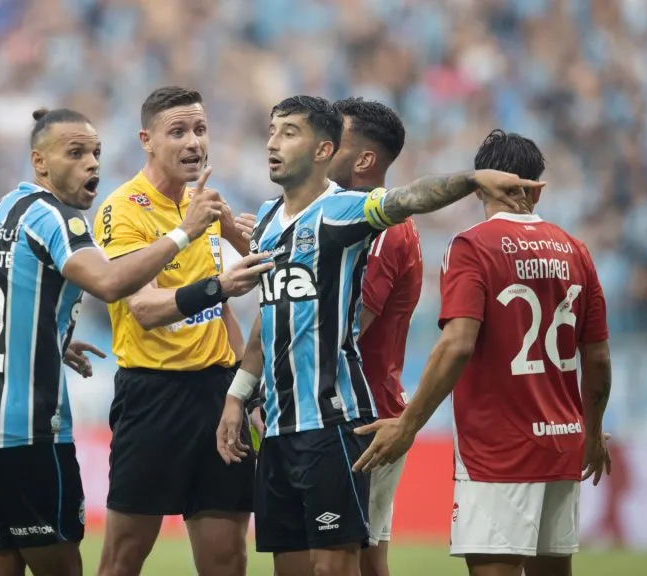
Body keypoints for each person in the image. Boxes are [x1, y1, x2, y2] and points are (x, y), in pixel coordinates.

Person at [216, 95, 543, 576]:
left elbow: (410, 197)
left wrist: (471, 180)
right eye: (271, 131)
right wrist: (238, 395)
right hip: (280, 429)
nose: (272, 143)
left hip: (337, 423)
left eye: (289, 133)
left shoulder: (351, 215)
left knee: (346, 564)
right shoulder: (266, 220)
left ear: (324, 150)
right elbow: (272, 315)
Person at [0, 107, 227, 576]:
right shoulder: (57, 217)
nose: (92, 164)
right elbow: (110, 284)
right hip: (25, 428)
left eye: (95, 152)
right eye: (75, 153)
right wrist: (183, 231)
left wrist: (40, 332)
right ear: (39, 162)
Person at [352, 130, 612, 576]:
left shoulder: (472, 246)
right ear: (538, 188)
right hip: (563, 442)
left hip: (499, 450)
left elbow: (457, 344)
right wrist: (592, 432)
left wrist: (409, 424)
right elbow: (600, 357)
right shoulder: (576, 251)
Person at [92, 86, 271, 576]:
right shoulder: (121, 209)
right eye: (179, 132)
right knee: (123, 558)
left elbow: (224, 313)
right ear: (146, 140)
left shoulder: (207, 203)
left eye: (200, 129)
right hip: (153, 395)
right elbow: (145, 309)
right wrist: (215, 282)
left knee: (228, 560)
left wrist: (245, 392)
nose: (194, 142)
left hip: (216, 395)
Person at [328, 97, 417, 576]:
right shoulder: (362, 220)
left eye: (333, 139)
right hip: (368, 407)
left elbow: (350, 325)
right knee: (365, 553)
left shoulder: (381, 227)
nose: (323, 146)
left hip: (363, 413)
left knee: (355, 554)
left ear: (364, 159)